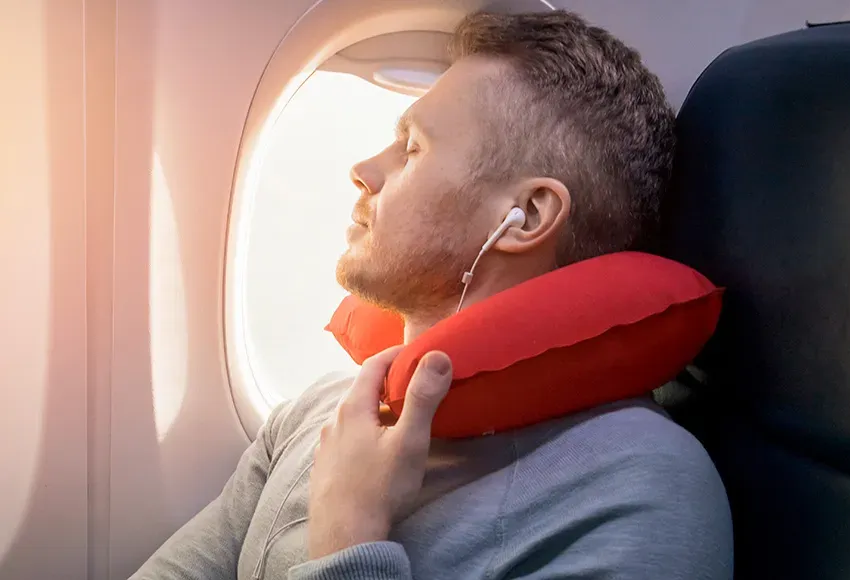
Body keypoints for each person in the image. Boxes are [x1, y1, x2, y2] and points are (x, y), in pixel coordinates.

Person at [131, 10, 732, 580]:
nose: (364, 169)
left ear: (525, 216)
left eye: (412, 148)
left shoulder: (639, 484)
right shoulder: (321, 411)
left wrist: (349, 537)